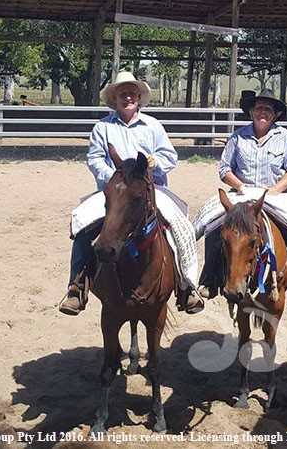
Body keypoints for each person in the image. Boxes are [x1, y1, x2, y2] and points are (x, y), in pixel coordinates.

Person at [58, 71, 202, 316]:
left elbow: (170, 156)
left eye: (132, 94)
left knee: (181, 227)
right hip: (116, 190)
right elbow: (94, 159)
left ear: (139, 97)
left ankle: (187, 286)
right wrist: (116, 179)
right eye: (122, 94)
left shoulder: (153, 126)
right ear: (115, 99)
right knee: (83, 224)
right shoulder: (102, 127)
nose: (127, 98)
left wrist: (156, 162)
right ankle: (77, 285)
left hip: (151, 189)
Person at [196, 89, 287, 303]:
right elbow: (225, 169)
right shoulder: (238, 136)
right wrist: (240, 186)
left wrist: (277, 189)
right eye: (259, 108)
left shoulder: (284, 137)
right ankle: (210, 278)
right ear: (251, 111)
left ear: (275, 114)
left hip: (275, 194)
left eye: (268, 109)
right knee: (213, 227)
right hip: (242, 193)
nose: (263, 112)